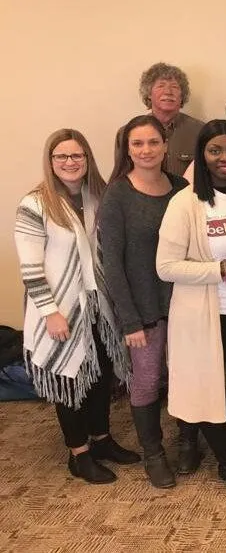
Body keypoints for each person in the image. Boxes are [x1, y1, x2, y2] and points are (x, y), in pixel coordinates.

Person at [14, 129, 139, 484]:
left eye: (77, 156)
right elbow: (31, 268)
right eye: (62, 157)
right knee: (69, 378)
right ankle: (78, 454)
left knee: (98, 375)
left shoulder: (97, 196)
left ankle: (101, 440)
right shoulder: (34, 204)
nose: (70, 163)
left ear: (87, 159)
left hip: (98, 305)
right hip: (59, 309)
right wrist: (50, 312)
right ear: (51, 162)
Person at [156, 120, 226, 493]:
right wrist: (223, 268)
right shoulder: (184, 203)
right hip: (201, 314)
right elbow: (166, 267)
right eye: (216, 150)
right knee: (207, 390)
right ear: (203, 156)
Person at [99, 115, 190, 488]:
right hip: (143, 310)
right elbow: (112, 263)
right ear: (128, 149)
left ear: (165, 144)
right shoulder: (118, 193)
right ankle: (154, 454)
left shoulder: (182, 188)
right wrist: (129, 321)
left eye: (153, 142)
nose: (146, 150)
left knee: (186, 377)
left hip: (185, 303)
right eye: (137, 144)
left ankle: (188, 442)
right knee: (147, 381)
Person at [117, 62, 205, 176]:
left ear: (182, 95)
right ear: (149, 93)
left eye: (174, 87)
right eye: (161, 86)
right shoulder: (127, 133)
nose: (168, 92)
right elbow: (121, 176)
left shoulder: (201, 131)